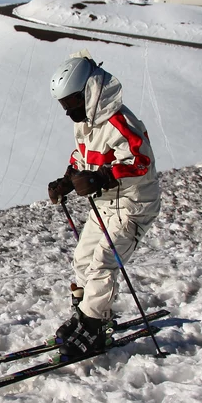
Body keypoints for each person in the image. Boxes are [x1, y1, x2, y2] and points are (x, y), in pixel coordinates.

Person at [46, 50, 162, 357]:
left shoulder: (119, 121)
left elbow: (141, 160)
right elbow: (83, 159)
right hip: (106, 204)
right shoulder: (86, 123)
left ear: (90, 91)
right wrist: (67, 180)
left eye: (71, 102)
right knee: (83, 260)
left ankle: (93, 326)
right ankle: (89, 315)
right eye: (64, 105)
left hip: (133, 204)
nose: (69, 111)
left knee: (102, 263)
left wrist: (102, 178)